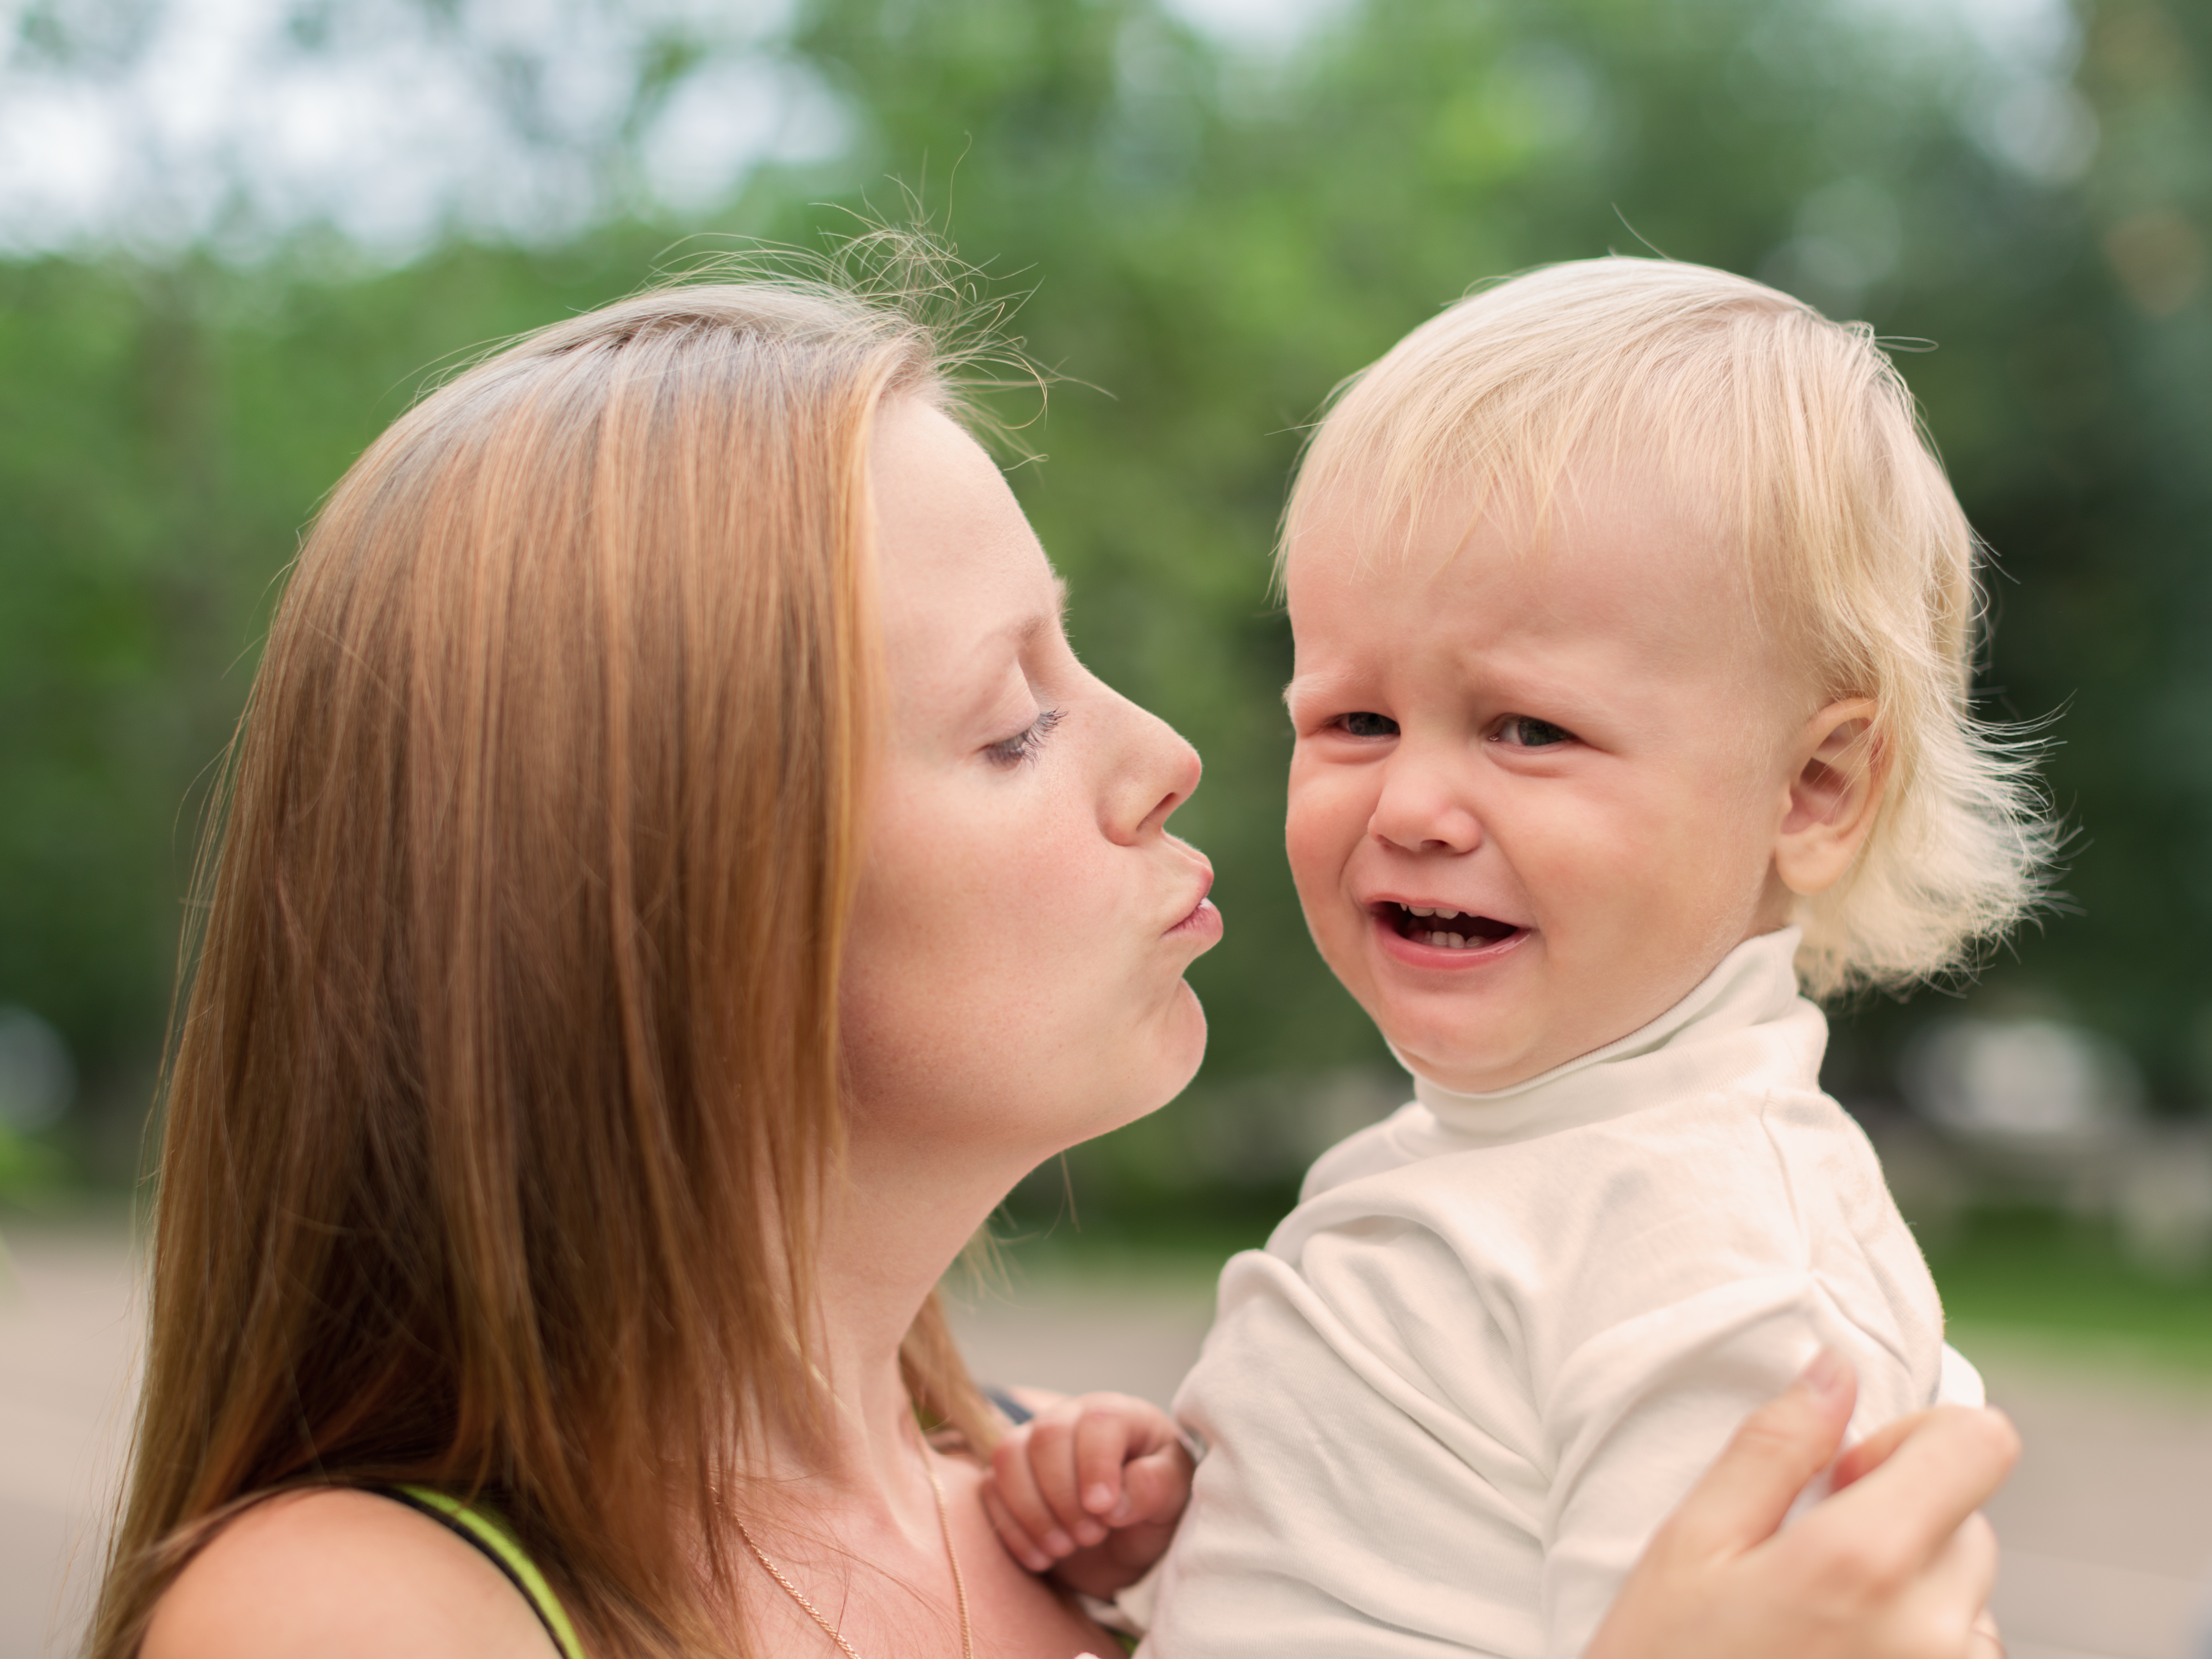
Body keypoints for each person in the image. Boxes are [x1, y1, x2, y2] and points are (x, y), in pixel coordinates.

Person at [90, 251, 2016, 1659]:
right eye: (1014, 722)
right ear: (673, 887)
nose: (1171, 755)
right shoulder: (357, 1614)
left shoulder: (1082, 1527)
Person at [988, 257, 2044, 1657]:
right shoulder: (1501, 1159)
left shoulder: (1718, 1261)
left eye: (1530, 731)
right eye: (1355, 720)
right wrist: (1193, 1512)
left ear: (1813, 792)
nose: (1413, 809)